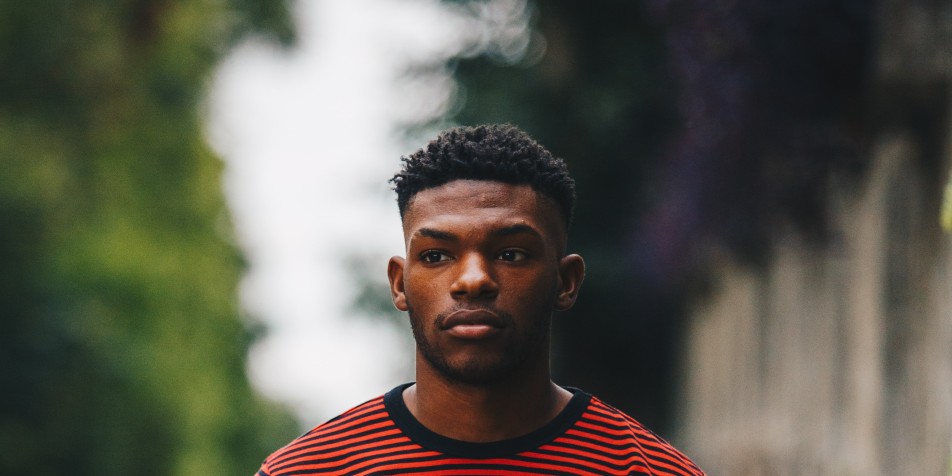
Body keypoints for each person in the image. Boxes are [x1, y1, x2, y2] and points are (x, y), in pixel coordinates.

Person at [255, 124, 704, 475]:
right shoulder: (306, 471)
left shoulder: (649, 470)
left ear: (566, 281)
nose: (473, 280)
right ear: (399, 283)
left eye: (510, 253)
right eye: (436, 255)